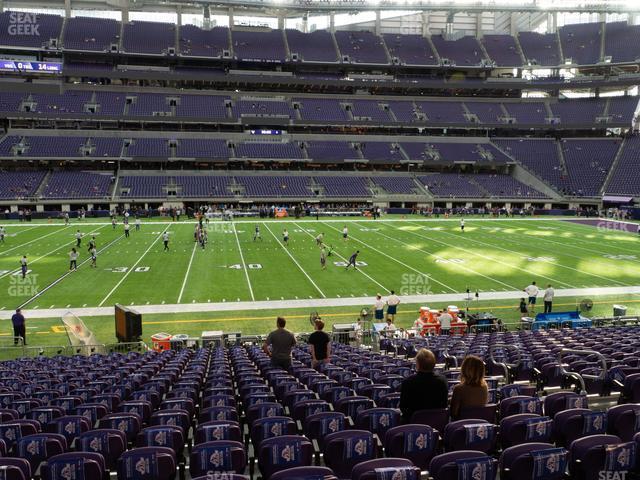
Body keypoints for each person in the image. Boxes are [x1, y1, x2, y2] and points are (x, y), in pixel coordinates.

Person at [399, 348, 448, 423]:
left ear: (418, 365)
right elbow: (444, 405)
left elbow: (403, 407)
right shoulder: (442, 381)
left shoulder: (408, 382)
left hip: (414, 425)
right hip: (437, 424)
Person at [450, 355, 489, 419]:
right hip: (478, 424)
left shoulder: (459, 389)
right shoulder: (485, 387)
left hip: (461, 425)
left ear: (464, 370)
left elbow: (453, 413)